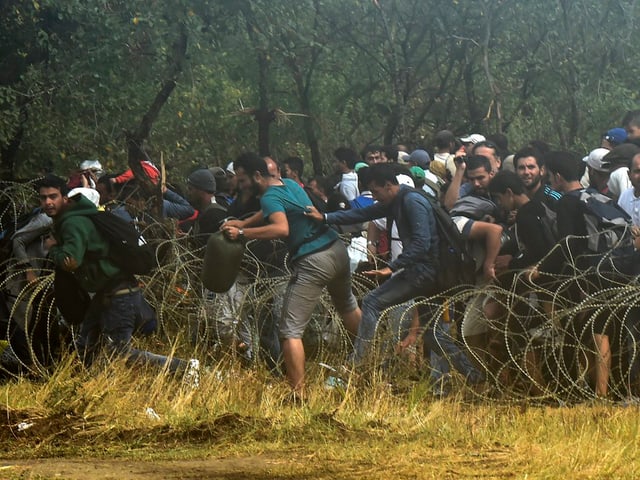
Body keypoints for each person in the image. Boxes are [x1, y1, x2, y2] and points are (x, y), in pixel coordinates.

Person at [221, 152, 361, 395]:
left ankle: (298, 394)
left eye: (243, 180)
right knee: (347, 305)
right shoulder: (289, 184)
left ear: (257, 176)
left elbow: (280, 227)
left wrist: (243, 234)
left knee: (289, 331)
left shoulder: (268, 198)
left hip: (314, 259)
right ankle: (370, 360)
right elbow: (275, 210)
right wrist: (243, 223)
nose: (241, 186)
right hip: (336, 250)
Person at [38, 174, 195, 378]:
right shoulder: (78, 216)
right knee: (87, 345)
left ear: (65, 198)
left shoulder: (72, 222)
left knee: (118, 351)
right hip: (110, 291)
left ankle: (183, 368)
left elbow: (71, 261)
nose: (48, 202)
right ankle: (91, 389)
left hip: (117, 294)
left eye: (53, 196)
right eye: (43, 198)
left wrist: (53, 249)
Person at [307, 163, 439, 364]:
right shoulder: (396, 200)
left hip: (426, 270)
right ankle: (472, 377)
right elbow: (362, 214)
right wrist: (325, 217)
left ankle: (357, 364)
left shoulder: (411, 201)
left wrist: (392, 267)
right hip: (421, 269)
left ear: (388, 185)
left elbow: (422, 243)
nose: (375, 197)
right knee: (436, 334)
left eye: (376, 192)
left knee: (372, 302)